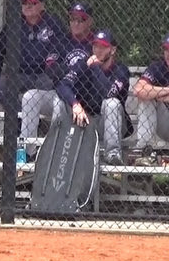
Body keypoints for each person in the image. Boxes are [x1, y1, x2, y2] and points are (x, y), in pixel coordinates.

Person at [20, 2, 94, 158]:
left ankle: (53, 155)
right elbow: (51, 69)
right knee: (30, 97)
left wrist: (67, 72)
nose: (75, 23)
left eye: (81, 20)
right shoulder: (61, 41)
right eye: (72, 19)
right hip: (61, 92)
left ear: (89, 22)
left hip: (85, 98)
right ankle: (26, 153)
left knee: (58, 105)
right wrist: (77, 70)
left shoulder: (96, 44)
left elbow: (93, 76)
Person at [54, 30, 130, 165]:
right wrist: (75, 104)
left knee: (111, 103)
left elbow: (108, 93)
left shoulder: (121, 70)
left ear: (112, 50)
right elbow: (62, 85)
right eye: (95, 46)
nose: (97, 50)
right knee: (59, 100)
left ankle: (112, 154)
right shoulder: (83, 64)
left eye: (103, 47)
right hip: (84, 120)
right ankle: (55, 148)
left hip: (109, 124)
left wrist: (95, 67)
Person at [0, 0, 67, 113]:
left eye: (33, 3)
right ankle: (20, 115)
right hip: (20, 74)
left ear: (42, 5)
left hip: (44, 74)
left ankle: (31, 117)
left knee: (49, 85)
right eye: (24, 2)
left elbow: (62, 49)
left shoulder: (53, 23)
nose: (28, 6)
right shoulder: (14, 23)